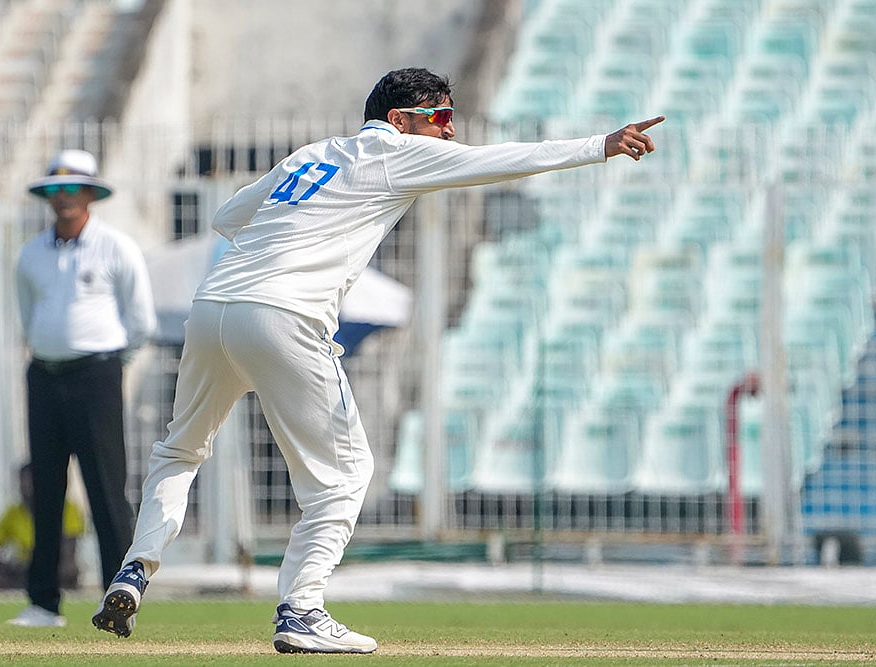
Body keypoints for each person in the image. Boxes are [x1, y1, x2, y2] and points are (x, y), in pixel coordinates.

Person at [92, 68, 664, 652]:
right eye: (440, 118)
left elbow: (227, 218)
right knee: (347, 474)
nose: (448, 132)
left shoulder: (312, 154)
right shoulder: (395, 153)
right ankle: (302, 609)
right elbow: (498, 160)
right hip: (284, 315)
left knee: (180, 448)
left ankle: (135, 569)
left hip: (212, 307)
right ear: (400, 119)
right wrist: (602, 145)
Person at [10, 149, 157, 628]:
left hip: (97, 376)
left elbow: (140, 321)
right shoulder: (31, 253)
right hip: (45, 377)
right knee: (46, 489)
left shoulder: (116, 246)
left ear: (90, 194)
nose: (64, 198)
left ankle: (120, 597)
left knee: (106, 488)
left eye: (73, 189)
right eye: (56, 190)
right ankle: (42, 603)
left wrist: (108, 363)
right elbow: (29, 317)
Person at [0, 463, 85, 592]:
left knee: (68, 569)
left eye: (31, 483)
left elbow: (68, 550)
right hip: (22, 570)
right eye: (22, 483)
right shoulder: (13, 511)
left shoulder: (68, 508)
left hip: (54, 567)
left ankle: (29, 587)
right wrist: (1, 565)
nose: (26, 488)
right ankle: (26, 586)